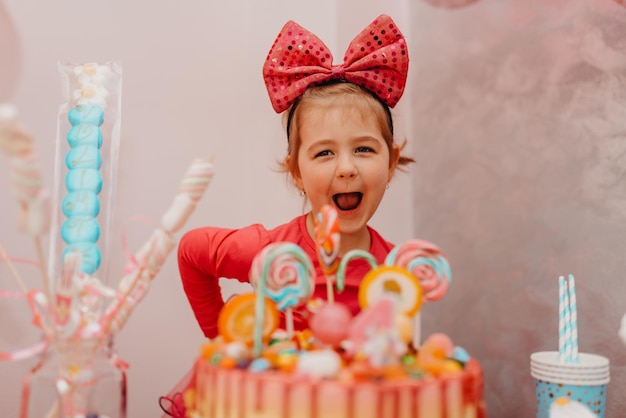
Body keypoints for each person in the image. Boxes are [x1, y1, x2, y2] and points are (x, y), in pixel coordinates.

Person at [178, 14, 414, 339]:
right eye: (324, 153)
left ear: (391, 163)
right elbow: (192, 251)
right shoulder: (272, 253)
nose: (346, 168)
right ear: (297, 173)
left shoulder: (398, 270)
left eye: (363, 150)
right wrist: (221, 335)